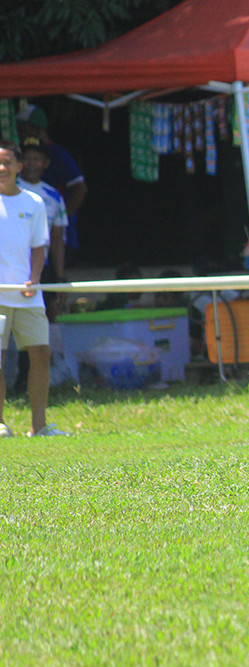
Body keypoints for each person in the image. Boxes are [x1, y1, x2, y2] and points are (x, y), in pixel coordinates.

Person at [0, 140, 68, 437]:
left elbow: (39, 246)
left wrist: (35, 279)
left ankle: (39, 425)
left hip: (29, 295)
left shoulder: (34, 202)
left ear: (18, 166)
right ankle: (1, 424)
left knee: (41, 354)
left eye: (6, 162)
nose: (1, 168)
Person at [12, 136, 70, 396]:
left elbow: (56, 242)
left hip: (38, 272)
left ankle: (29, 384)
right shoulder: (9, 191)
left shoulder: (52, 197)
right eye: (28, 157)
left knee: (36, 335)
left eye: (38, 158)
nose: (33, 163)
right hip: (9, 271)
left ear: (46, 163)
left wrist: (58, 279)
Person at [16, 104, 87, 259]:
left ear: (37, 130)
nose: (20, 134)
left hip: (55, 241)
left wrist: (58, 221)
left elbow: (79, 189)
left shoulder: (57, 154)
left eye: (24, 129)